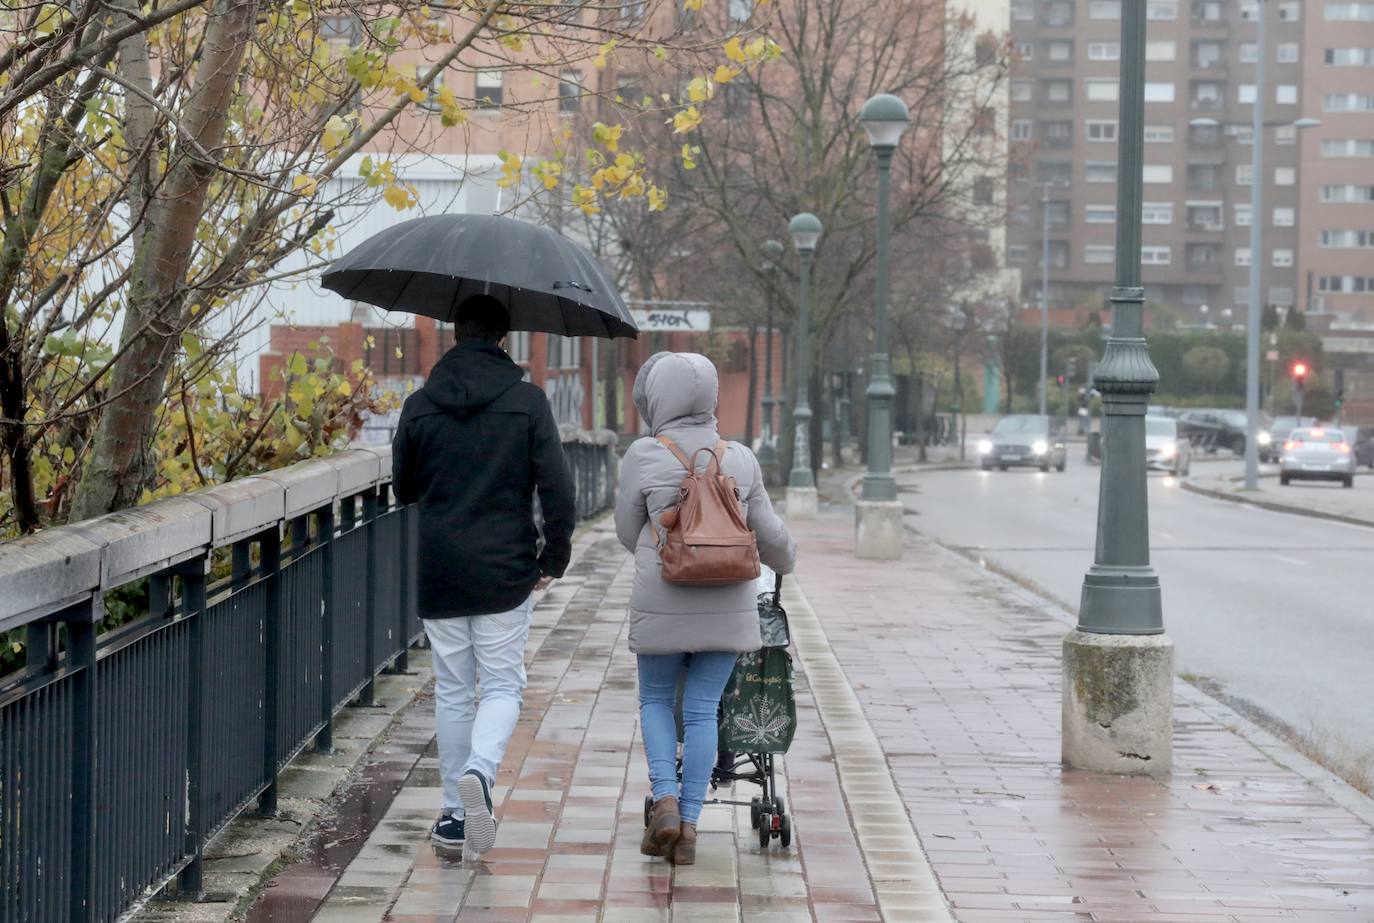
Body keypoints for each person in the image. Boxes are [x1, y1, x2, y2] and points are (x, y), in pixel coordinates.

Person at [392, 294, 575, 856]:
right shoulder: (527, 402)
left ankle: (453, 815)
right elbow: (558, 488)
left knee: (452, 689)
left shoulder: (419, 405)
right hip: (505, 569)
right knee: (501, 685)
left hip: (441, 567)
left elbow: (404, 487)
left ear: (455, 335)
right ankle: (480, 771)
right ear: (503, 340)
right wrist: (553, 559)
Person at [615, 352, 797, 865]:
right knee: (701, 709)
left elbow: (627, 532)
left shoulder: (643, 455)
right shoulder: (740, 458)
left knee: (656, 700)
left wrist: (666, 546)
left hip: (662, 599)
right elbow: (771, 536)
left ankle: (666, 801)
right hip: (728, 605)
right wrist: (788, 559)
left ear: (658, 396)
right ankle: (690, 826)